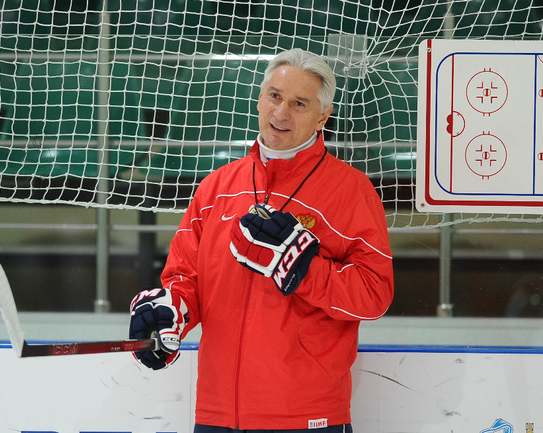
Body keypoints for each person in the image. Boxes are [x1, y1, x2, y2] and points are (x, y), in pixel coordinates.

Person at [129, 48, 394, 432]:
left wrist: (301, 267)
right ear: (259, 98)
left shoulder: (351, 191)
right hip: (218, 413)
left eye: (299, 103)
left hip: (305, 415)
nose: (281, 113)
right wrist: (170, 314)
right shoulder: (216, 188)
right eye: (274, 96)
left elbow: (374, 294)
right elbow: (185, 280)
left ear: (323, 116)